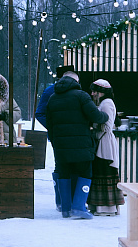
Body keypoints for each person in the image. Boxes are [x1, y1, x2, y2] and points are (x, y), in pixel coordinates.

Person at [45, 70, 107, 219]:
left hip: (60, 145)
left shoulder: (52, 98)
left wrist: (55, 142)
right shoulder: (81, 96)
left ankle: (66, 209)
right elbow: (96, 116)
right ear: (76, 82)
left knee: (64, 173)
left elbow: (49, 123)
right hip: (81, 144)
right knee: (85, 172)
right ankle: (79, 208)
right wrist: (107, 115)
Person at [35, 64, 74, 211]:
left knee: (66, 166)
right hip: (59, 136)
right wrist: (54, 127)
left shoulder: (75, 90)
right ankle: (62, 201)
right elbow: (40, 113)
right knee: (61, 166)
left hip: (70, 135)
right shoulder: (50, 91)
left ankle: (66, 201)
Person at [88, 79, 124, 216]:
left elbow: (107, 126)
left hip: (105, 142)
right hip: (103, 140)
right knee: (101, 171)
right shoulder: (104, 103)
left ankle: (106, 207)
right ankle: (100, 206)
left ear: (102, 92)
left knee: (104, 170)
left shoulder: (107, 103)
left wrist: (94, 124)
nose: (92, 94)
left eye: (94, 91)